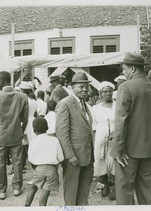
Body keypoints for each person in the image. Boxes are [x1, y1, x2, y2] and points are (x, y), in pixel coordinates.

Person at [111, 52, 151, 205]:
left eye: (124, 69)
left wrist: (118, 151)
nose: (123, 72)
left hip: (128, 151)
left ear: (133, 69)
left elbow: (121, 121)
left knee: (125, 193)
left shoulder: (126, 87)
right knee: (149, 193)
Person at [0, 71, 29, 200]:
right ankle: (17, 187)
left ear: (0, 81)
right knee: (17, 162)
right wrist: (21, 130)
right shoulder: (23, 96)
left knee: (0, 163)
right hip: (16, 133)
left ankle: (1, 190)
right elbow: (25, 118)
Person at [56, 72, 94, 206]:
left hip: (87, 155)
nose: (84, 89)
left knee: (84, 190)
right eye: (80, 87)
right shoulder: (65, 104)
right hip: (74, 157)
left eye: (86, 87)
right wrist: (70, 155)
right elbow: (62, 133)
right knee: (71, 192)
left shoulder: (83, 103)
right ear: (72, 87)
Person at [25, 117, 64, 206]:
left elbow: (30, 159)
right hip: (52, 171)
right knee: (43, 199)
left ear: (34, 130)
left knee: (33, 188)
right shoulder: (55, 140)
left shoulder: (33, 142)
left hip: (39, 169)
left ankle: (26, 206)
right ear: (47, 128)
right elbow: (61, 158)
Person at [92, 81, 116, 200]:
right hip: (100, 137)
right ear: (100, 93)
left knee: (114, 161)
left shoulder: (117, 105)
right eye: (105, 91)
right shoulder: (95, 108)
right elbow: (94, 126)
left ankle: (115, 187)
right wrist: (96, 142)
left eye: (110, 91)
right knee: (101, 161)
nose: (108, 93)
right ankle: (105, 184)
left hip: (115, 137)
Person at [20, 81, 37, 171]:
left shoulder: (25, 100)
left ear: (22, 90)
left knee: (27, 147)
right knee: (26, 146)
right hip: (31, 121)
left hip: (26, 123)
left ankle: (35, 168)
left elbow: (24, 115)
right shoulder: (33, 100)